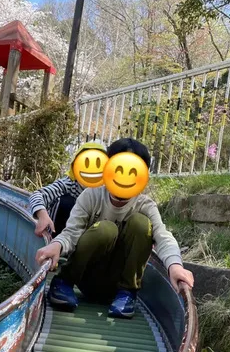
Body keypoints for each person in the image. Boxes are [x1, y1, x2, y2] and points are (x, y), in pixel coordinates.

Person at [36, 137, 194, 319]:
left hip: (117, 286)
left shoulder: (144, 205)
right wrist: (57, 245)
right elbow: (72, 231)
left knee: (141, 223)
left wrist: (175, 266)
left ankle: (128, 293)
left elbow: (163, 236)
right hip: (86, 279)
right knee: (106, 229)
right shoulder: (92, 196)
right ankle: (64, 282)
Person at [28, 141, 107, 238]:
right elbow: (37, 195)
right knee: (66, 202)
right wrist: (42, 215)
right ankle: (54, 241)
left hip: (83, 236)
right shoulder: (69, 183)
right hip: (61, 232)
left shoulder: (103, 190)